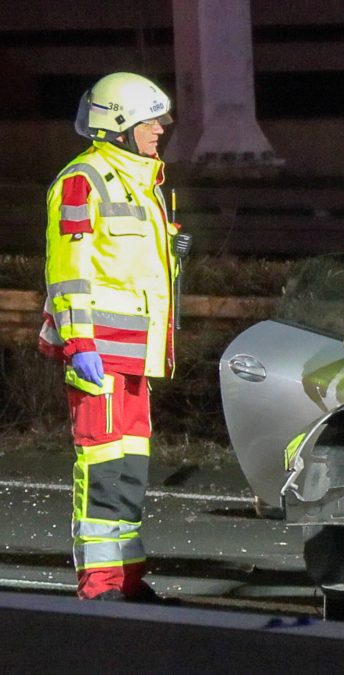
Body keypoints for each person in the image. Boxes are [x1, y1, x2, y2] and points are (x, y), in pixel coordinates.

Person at [38, 72, 183, 601]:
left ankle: (129, 577)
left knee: (129, 469)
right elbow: (68, 271)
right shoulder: (84, 179)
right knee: (102, 468)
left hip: (135, 353)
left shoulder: (142, 181)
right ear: (119, 125)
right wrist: (78, 344)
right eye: (151, 120)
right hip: (99, 352)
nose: (161, 129)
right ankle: (99, 587)